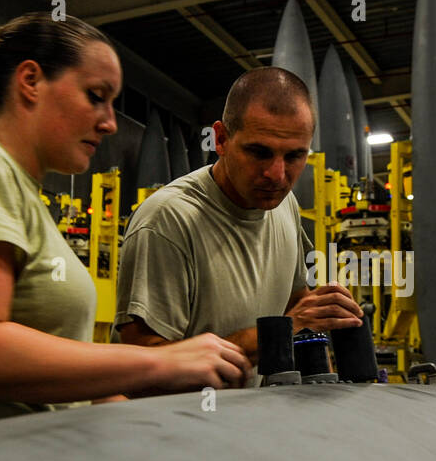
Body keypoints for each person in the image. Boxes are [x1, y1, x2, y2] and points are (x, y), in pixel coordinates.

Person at [0, 12, 249, 441]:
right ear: (30, 81)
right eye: (96, 96)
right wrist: (160, 362)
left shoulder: (21, 193)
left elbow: (60, 386)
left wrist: (158, 428)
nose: (109, 122)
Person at [115, 67, 363, 361]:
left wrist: (319, 310)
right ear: (220, 139)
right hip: (182, 409)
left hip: (253, 406)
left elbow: (293, 301)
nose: (277, 175)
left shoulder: (285, 206)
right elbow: (141, 363)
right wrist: (284, 329)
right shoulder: (167, 220)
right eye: (260, 152)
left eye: (295, 155)